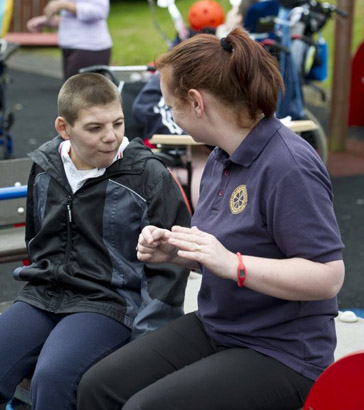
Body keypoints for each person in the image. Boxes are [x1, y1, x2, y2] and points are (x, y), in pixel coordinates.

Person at [77, 28, 345, 410]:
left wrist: (233, 265)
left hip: (283, 351)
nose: (170, 116)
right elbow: (224, 249)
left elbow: (328, 277)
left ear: (197, 102)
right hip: (219, 327)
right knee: (97, 386)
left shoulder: (289, 165)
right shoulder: (222, 154)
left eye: (171, 107)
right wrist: (178, 252)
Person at [0, 73, 191, 410]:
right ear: (64, 127)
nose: (111, 137)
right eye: (94, 128)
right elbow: (37, 239)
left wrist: (147, 341)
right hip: (44, 294)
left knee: (54, 376)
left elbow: (173, 267)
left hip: (109, 303)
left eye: (117, 123)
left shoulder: (147, 175)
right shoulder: (47, 166)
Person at [27, 0, 112, 80]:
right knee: (71, 92)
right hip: (71, 46)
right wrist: (49, 21)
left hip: (90, 47)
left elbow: (100, 11)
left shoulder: (64, 3)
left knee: (77, 93)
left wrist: (64, 4)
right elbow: (73, 19)